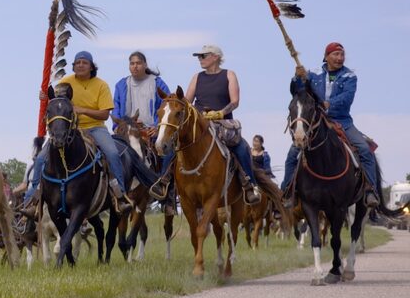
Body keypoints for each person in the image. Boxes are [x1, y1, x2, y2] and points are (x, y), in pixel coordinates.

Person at [149, 45, 261, 205]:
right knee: (175, 141)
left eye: (203, 56)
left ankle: (250, 185)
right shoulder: (197, 77)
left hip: (223, 122)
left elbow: (235, 101)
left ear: (215, 57)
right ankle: (164, 180)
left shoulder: (229, 75)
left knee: (241, 147)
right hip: (200, 121)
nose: (200, 59)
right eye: (199, 57)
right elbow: (186, 101)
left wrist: (220, 112)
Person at [25, 51, 133, 214]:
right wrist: (45, 98)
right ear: (74, 66)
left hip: (96, 127)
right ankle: (32, 200)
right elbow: (56, 103)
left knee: (112, 153)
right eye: (77, 62)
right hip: (69, 129)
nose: (80, 65)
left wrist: (82, 110)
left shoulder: (101, 85)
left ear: (91, 67)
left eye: (84, 62)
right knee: (41, 158)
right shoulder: (65, 82)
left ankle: (119, 195)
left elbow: (104, 114)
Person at [281, 42, 379, 208]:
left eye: (342, 55)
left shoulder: (350, 77)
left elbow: (347, 98)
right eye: (335, 54)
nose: (339, 58)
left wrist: (328, 104)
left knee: (364, 149)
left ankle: (370, 190)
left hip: (342, 122)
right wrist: (297, 77)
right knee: (293, 154)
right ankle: (288, 191)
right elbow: (298, 92)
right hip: (317, 122)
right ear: (326, 56)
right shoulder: (313, 73)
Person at [111, 51, 176, 215]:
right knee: (110, 155)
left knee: (169, 154)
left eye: (138, 63)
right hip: (128, 130)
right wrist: (121, 126)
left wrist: (158, 125)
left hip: (151, 130)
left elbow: (167, 107)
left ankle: (165, 194)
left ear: (145, 65)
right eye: (132, 63)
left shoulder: (157, 83)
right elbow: (116, 109)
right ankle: (112, 194)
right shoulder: (121, 85)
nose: (135, 66)